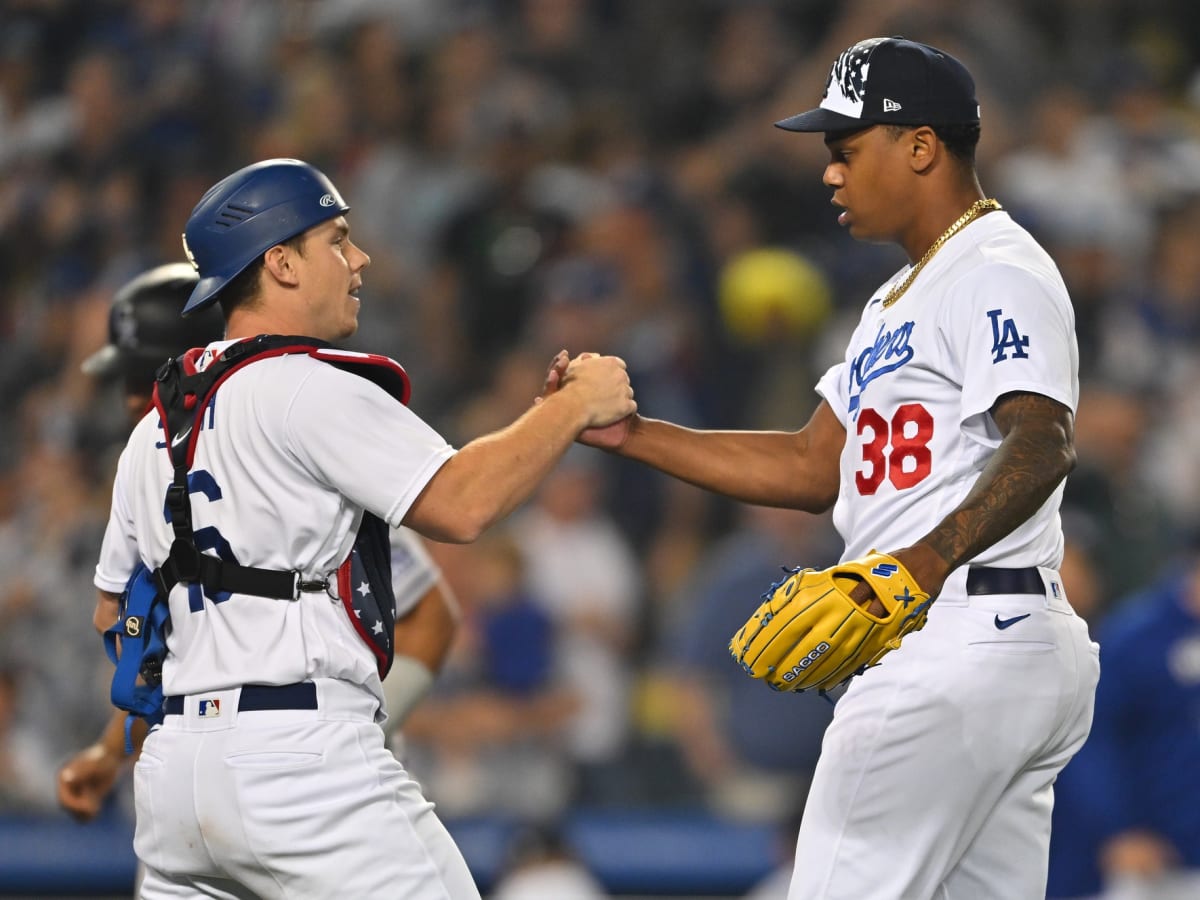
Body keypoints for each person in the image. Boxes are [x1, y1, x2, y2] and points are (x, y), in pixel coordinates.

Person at [551, 37, 1099, 898]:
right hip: (984, 642)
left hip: (952, 634)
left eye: (846, 150)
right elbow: (813, 465)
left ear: (920, 146)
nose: (830, 175)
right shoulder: (893, 299)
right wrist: (636, 436)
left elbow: (1043, 443)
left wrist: (911, 571)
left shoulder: (995, 268)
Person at [90, 158, 635, 899]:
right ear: (280, 264)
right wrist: (572, 408)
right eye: (337, 240)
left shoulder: (153, 430)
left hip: (174, 778)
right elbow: (462, 505)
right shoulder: (307, 385)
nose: (361, 258)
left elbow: (112, 616)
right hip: (300, 763)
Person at [57, 263, 461, 830]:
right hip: (203, 768)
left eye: (139, 375)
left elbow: (432, 617)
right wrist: (113, 748)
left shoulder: (285, 455)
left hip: (317, 777)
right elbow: (184, 645)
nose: (128, 400)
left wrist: (351, 725)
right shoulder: (153, 464)